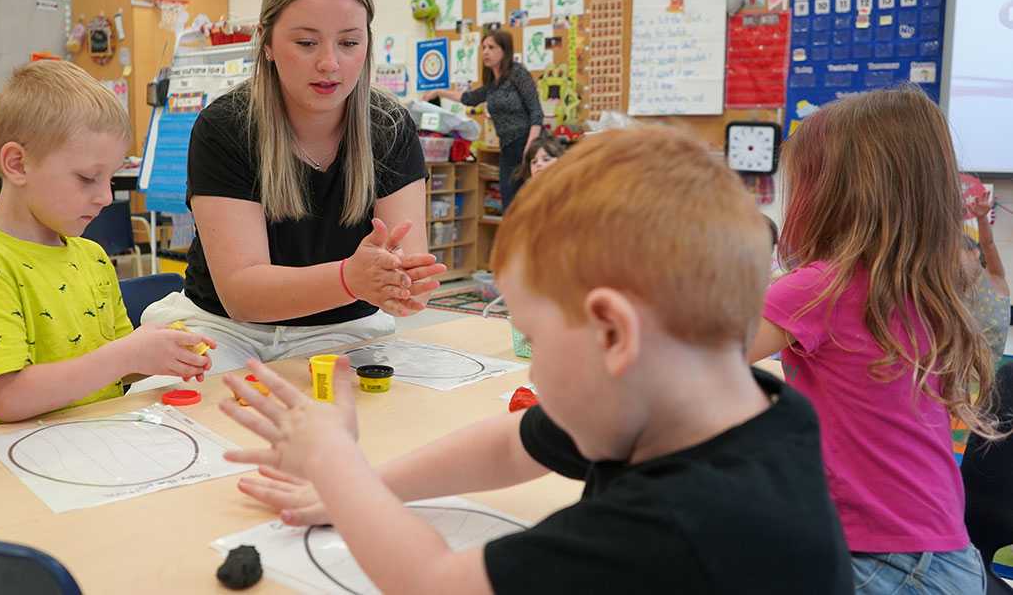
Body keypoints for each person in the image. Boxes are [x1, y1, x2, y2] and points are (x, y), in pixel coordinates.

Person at [218, 128, 853, 594]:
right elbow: (515, 443)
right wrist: (367, 489)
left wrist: (337, 465)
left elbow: (434, 582)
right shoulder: (737, 407)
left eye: (536, 340)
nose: (533, 372)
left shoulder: (677, 529)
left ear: (613, 333)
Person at [140, 0, 445, 384]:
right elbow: (243, 295)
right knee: (176, 412)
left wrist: (404, 285)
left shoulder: (390, 127)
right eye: (306, 43)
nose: (330, 63)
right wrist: (351, 278)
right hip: (225, 329)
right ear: (266, 42)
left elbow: (407, 265)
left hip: (345, 329)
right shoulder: (225, 126)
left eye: (349, 43)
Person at [747, 87, 1002, 593]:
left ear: (830, 195)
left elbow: (691, 360)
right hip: (943, 559)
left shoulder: (821, 288)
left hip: (882, 564)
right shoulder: (917, 286)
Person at [0, 60, 214, 434]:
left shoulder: (92, 257)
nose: (106, 197)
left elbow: (110, 368)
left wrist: (155, 353)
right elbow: (9, 398)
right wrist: (125, 354)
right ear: (18, 164)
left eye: (110, 179)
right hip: (5, 457)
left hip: (91, 440)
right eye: (88, 178)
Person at [423, 29, 543, 210]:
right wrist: (439, 92)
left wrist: (530, 149)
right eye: (484, 47)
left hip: (528, 144)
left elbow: (536, 113)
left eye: (491, 47)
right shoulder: (493, 85)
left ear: (504, 50)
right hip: (508, 148)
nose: (485, 52)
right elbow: (469, 98)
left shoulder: (518, 73)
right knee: (510, 205)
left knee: (533, 204)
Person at [963, 194, 1009, 367]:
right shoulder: (959, 288)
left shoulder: (996, 278)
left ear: (975, 253)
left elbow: (988, 244)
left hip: (985, 369)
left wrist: (982, 218)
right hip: (962, 368)